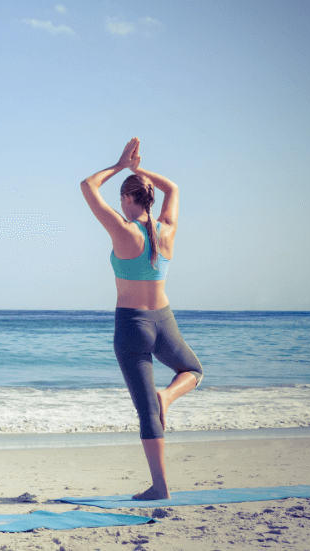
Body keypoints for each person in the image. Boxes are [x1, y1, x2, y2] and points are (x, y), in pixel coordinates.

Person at [79, 137, 203, 500]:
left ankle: (160, 487)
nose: (120, 203)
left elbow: (87, 186)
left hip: (132, 326)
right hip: (164, 322)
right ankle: (168, 396)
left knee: (146, 411)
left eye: (122, 197)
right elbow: (174, 188)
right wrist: (139, 171)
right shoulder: (168, 229)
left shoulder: (124, 230)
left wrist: (121, 165)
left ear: (129, 199)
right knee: (193, 371)